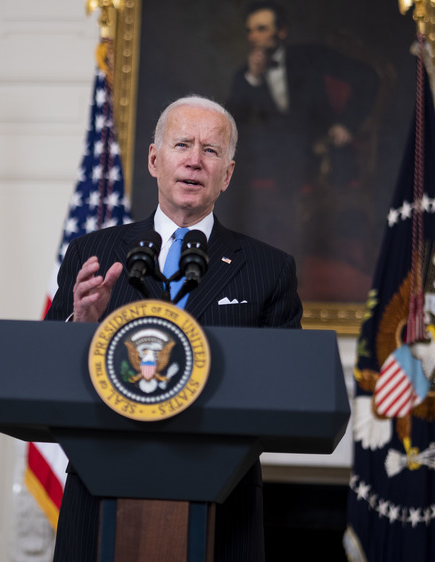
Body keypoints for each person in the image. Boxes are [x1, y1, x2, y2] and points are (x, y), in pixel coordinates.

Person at [45, 95, 302, 561]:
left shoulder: (269, 269)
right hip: (102, 492)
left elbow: (287, 386)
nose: (194, 160)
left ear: (227, 174)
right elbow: (45, 379)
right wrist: (80, 326)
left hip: (223, 502)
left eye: (211, 150)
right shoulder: (93, 254)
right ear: (154, 159)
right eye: (182, 144)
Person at [223, 1, 377, 260]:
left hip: (320, 153)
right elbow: (230, 124)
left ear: (281, 32)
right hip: (269, 161)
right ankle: (235, 255)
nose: (253, 37)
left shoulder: (313, 57)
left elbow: (368, 77)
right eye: (250, 31)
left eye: (261, 29)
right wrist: (253, 78)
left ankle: (289, 261)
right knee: (230, 169)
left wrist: (347, 124)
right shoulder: (244, 76)